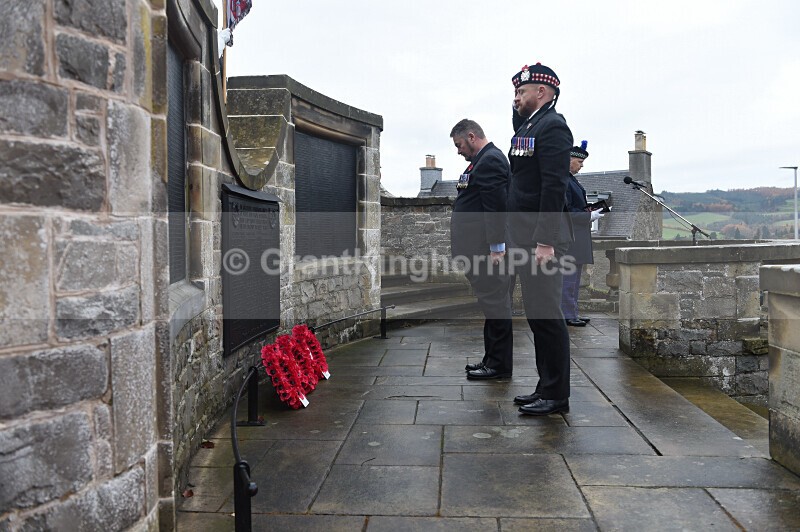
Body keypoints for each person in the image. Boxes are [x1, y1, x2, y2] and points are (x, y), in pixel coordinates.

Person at [506, 63, 574, 415]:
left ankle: (556, 395)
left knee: (547, 315)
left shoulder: (554, 127)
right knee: (536, 315)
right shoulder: (532, 124)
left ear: (542, 92)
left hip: (542, 240)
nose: (516, 97)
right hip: (524, 237)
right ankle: (544, 385)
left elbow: (554, 185)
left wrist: (545, 241)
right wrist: (519, 101)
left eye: (522, 91)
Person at [449, 119, 514, 380]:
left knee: (497, 305)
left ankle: (499, 366)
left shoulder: (491, 161)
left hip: (487, 253)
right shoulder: (481, 161)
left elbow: (496, 207)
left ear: (472, 136)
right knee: (491, 304)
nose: (458, 150)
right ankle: (491, 359)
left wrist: (497, 248)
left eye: (459, 144)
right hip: (479, 251)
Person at [561, 141, 604, 327]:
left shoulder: (572, 180)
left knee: (574, 279)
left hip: (577, 236)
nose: (582, 165)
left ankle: (573, 312)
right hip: (570, 237)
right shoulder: (564, 181)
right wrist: (589, 216)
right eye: (579, 161)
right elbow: (566, 212)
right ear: (569, 160)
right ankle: (567, 314)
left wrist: (591, 210)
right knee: (568, 280)